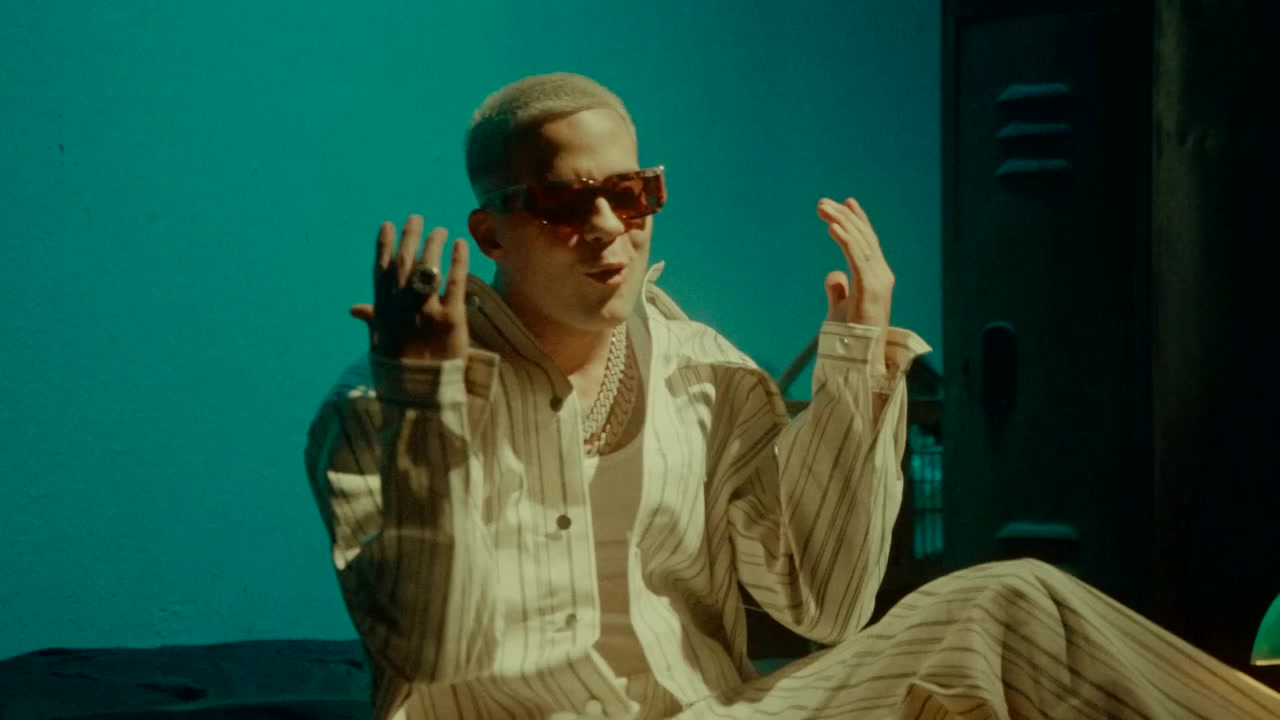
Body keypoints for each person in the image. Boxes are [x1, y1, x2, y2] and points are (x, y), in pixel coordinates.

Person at [304, 72, 1280, 720]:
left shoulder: (703, 371)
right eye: (563, 203)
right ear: (490, 232)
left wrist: (855, 367)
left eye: (631, 194)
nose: (606, 228)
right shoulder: (379, 408)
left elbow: (823, 605)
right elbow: (433, 651)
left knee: (1007, 605)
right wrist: (427, 404)